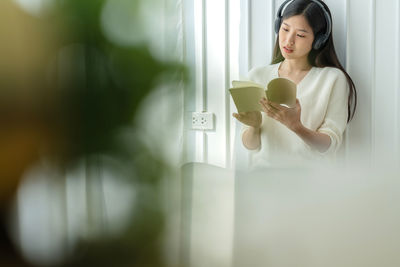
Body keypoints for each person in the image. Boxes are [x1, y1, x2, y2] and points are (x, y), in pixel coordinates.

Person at [233, 0, 357, 168]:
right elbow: (250, 146)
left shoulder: (332, 79)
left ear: (318, 40)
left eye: (300, 35)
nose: (288, 41)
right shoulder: (257, 75)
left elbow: (329, 145)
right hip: (263, 178)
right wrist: (254, 126)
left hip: (311, 183)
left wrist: (296, 126)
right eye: (285, 29)